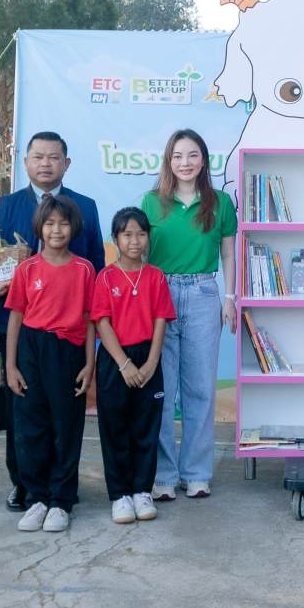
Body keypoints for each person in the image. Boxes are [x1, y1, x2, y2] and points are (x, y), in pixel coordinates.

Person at [0, 131, 104, 512]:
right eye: (38, 157)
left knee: (64, 413)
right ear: (25, 162)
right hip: (17, 327)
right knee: (22, 411)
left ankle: (61, 488)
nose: (46, 163)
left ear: (66, 163)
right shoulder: (3, 206)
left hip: (69, 334)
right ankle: (24, 485)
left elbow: (96, 266)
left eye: (54, 157)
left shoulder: (85, 207)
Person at [141, 129, 237, 501]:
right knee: (162, 392)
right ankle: (164, 476)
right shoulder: (152, 202)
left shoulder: (220, 202)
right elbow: (140, 255)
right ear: (169, 161)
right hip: (159, 295)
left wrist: (229, 298)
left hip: (203, 294)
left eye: (193, 155)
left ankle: (197, 473)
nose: (185, 163)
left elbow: (228, 254)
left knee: (199, 390)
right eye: (178, 156)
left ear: (204, 160)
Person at [4, 195, 96, 533]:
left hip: (68, 351)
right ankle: (37, 498)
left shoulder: (85, 269)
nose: (57, 230)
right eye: (50, 223)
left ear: (74, 227)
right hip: (31, 349)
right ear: (39, 228)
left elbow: (90, 319)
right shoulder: (27, 268)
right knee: (31, 426)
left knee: (66, 426)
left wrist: (89, 364)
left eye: (63, 223)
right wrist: (11, 366)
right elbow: (16, 317)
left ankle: (61, 501)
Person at [92, 207, 177, 524]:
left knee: (146, 427)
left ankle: (142, 490)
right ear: (115, 238)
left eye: (141, 234)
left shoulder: (155, 276)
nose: (134, 241)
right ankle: (120, 495)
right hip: (115, 360)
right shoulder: (105, 277)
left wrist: (152, 362)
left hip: (148, 358)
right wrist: (124, 364)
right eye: (127, 234)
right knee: (115, 428)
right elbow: (102, 322)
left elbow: (160, 320)